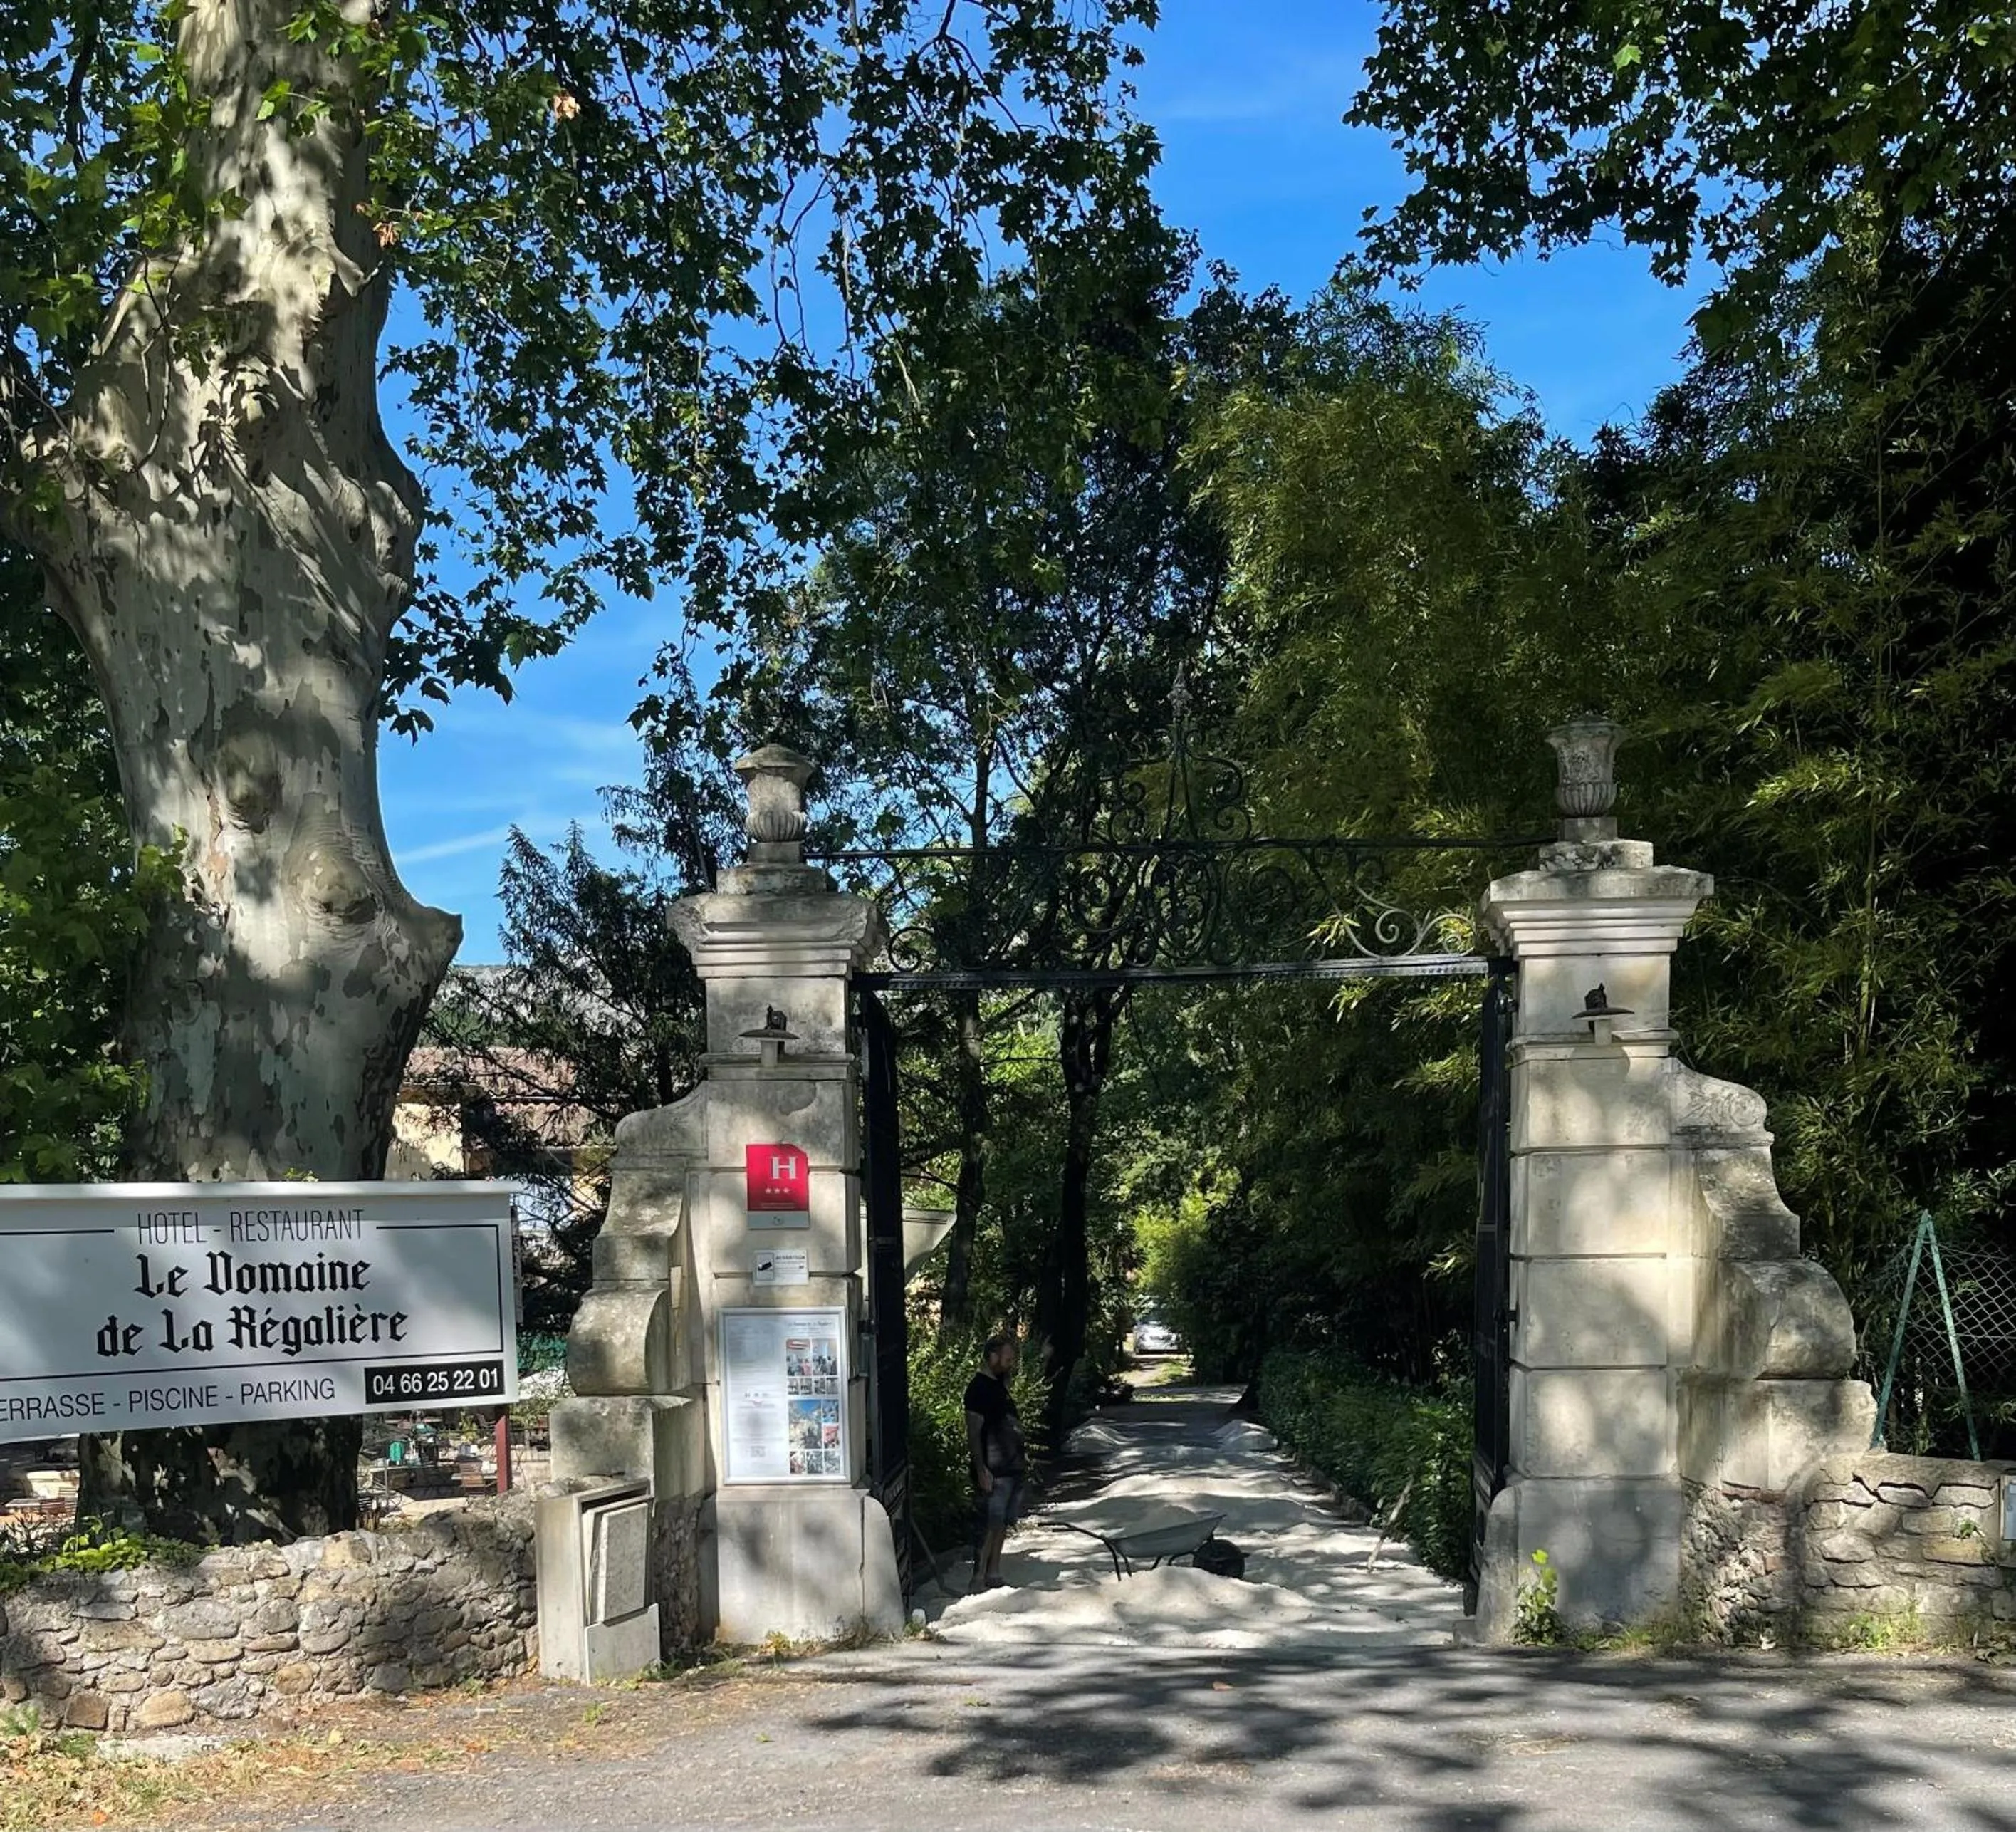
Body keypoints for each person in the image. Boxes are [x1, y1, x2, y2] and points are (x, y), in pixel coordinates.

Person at [963, 1335, 1026, 1592]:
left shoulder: (999, 1385)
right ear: (992, 1357)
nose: (1011, 1364)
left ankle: (994, 1572)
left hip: (1012, 1466)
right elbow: (973, 1432)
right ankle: (978, 1577)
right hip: (994, 1468)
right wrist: (981, 1469)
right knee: (989, 1523)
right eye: (1007, 1360)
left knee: (1003, 1523)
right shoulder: (978, 1389)